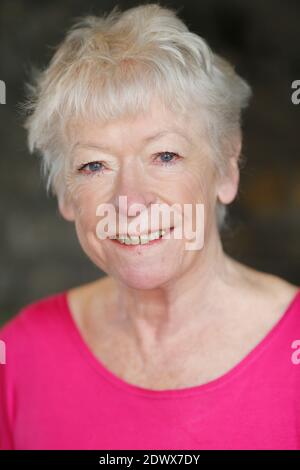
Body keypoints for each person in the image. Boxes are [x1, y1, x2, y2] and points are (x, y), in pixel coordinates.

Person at [0, 3, 299, 450]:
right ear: (65, 194)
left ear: (225, 168)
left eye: (165, 156)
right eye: (94, 165)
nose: (129, 201)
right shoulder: (19, 354)